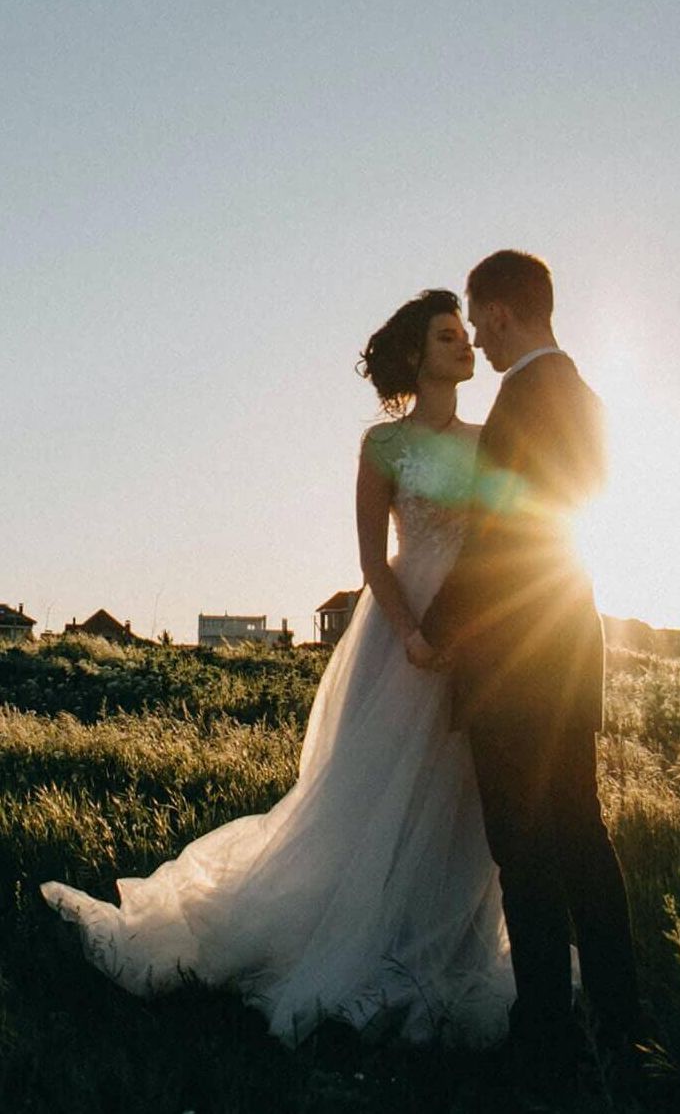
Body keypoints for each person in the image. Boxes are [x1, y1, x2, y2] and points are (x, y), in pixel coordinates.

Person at [41, 289, 515, 1049]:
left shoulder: (492, 438)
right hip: (403, 641)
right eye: (447, 334)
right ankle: (359, 940)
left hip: (477, 629)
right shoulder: (383, 447)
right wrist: (411, 636)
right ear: (416, 355)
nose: (465, 344)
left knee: (461, 796)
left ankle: (443, 945)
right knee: (376, 802)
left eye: (465, 333)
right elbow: (371, 560)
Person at [419, 251, 640, 1091]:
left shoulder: (519, 398)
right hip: (569, 645)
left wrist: (438, 630)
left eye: (478, 319)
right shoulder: (587, 398)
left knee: (523, 851)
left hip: (516, 660)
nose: (477, 335)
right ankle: (621, 1027)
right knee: (582, 838)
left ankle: (544, 1035)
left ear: (504, 314)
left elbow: (500, 535)